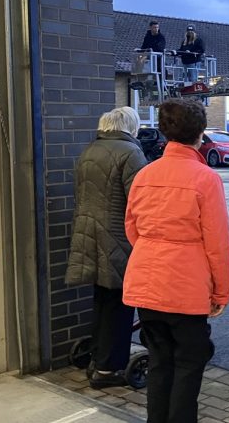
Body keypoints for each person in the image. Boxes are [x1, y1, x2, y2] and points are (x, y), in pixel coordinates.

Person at [123, 99, 229, 423]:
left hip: (145, 282)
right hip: (186, 289)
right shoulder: (205, 178)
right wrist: (221, 292)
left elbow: (132, 227)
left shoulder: (145, 174)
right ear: (200, 134)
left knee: (159, 363)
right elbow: (218, 244)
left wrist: (152, 250)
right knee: (188, 366)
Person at [64, 107, 148, 389]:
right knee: (121, 303)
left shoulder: (89, 150)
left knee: (102, 298)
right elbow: (140, 202)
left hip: (87, 232)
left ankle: (98, 357)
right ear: (130, 127)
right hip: (117, 236)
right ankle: (109, 369)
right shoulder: (130, 153)